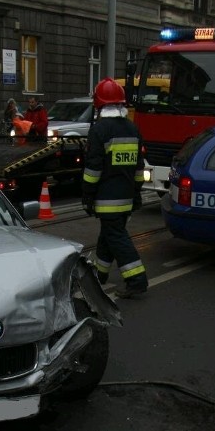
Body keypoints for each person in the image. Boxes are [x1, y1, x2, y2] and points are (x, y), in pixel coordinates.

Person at [82, 77, 148, 299]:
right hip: (127, 196)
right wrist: (137, 193)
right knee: (109, 235)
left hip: (106, 199)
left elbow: (93, 170)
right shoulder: (132, 128)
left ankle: (137, 279)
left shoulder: (99, 130)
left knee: (117, 237)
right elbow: (139, 168)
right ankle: (99, 275)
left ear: (99, 105)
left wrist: (87, 196)